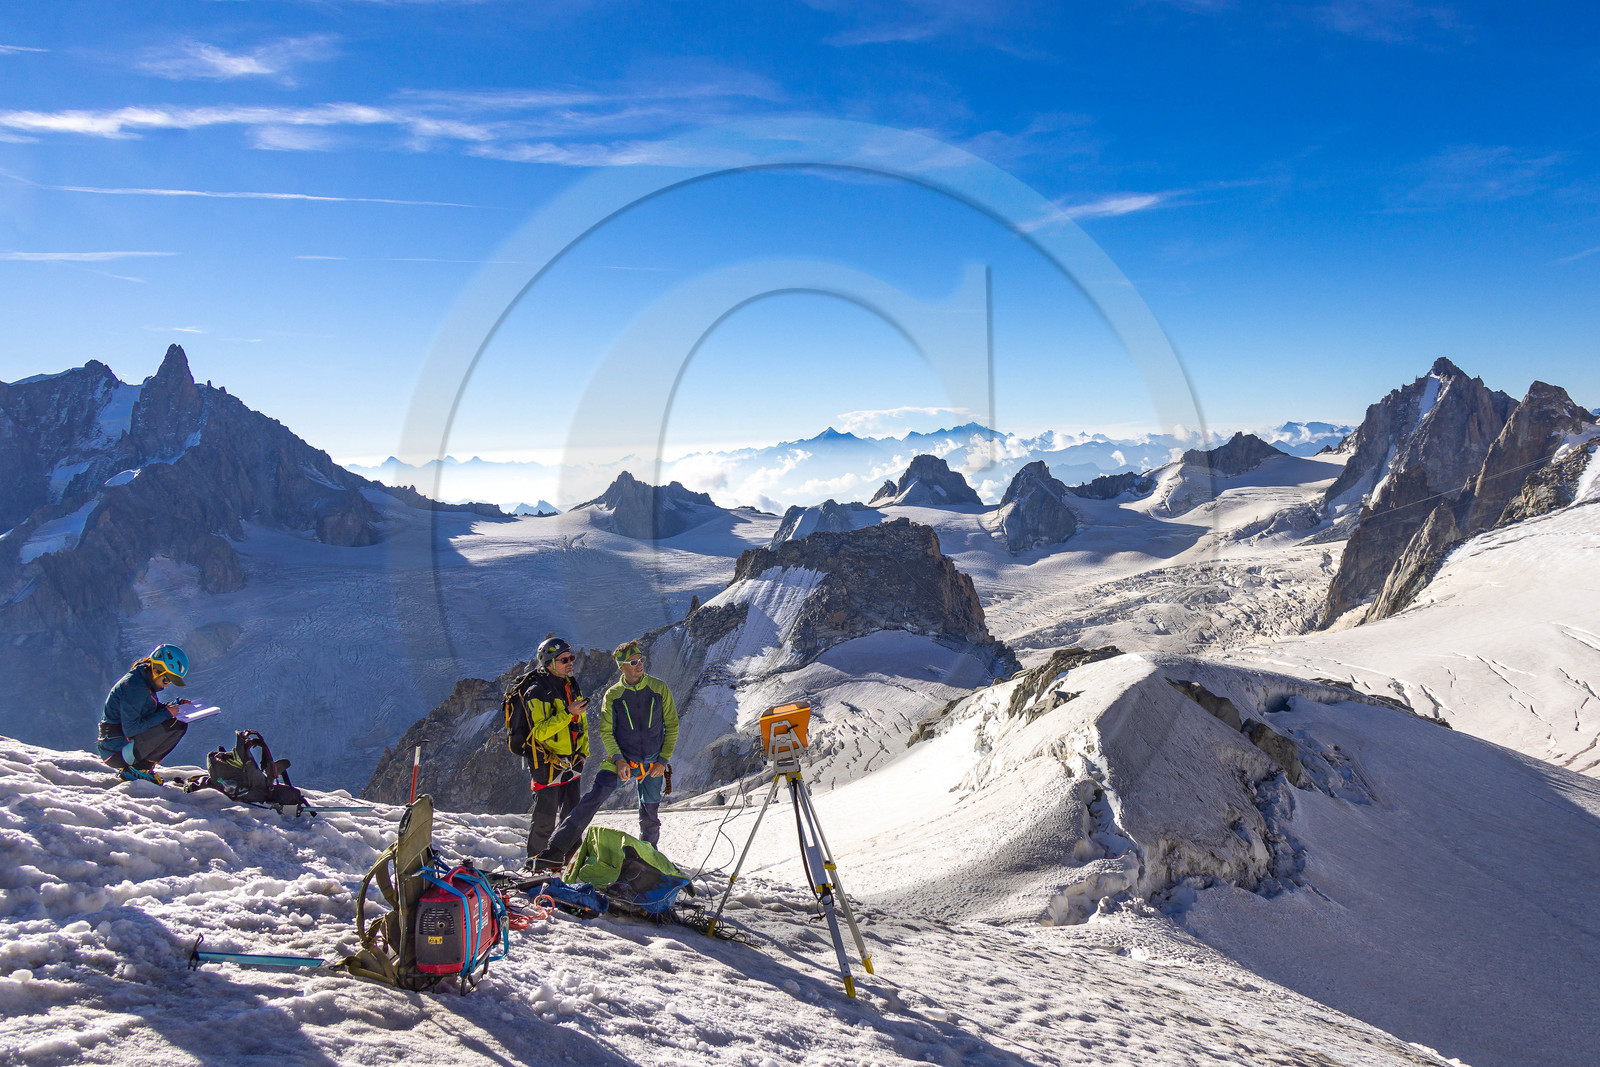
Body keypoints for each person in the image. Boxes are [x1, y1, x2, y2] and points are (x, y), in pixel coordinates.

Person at [535, 640, 677, 868]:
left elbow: (672, 725)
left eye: (641, 660)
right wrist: (619, 760)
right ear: (622, 666)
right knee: (591, 800)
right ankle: (555, 850)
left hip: (652, 764)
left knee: (650, 817)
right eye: (633, 662)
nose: (639, 665)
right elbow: (606, 731)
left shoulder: (659, 689)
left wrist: (662, 761)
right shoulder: (613, 695)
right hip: (622, 760)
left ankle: (648, 862)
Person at [513, 636, 590, 864]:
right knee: (544, 822)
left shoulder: (570, 684)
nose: (570, 662)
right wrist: (568, 713)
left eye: (571, 658)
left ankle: (567, 865)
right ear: (549, 662)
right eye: (564, 659)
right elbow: (539, 732)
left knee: (572, 820)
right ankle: (535, 866)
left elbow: (581, 723)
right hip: (546, 765)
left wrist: (583, 752)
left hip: (572, 763)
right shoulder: (536, 691)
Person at [97, 644, 193, 784]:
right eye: (166, 679)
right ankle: (138, 770)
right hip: (116, 751)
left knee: (177, 723)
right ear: (155, 670)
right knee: (175, 725)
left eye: (170, 681)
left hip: (117, 747)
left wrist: (174, 707)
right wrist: (167, 713)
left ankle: (139, 769)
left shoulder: (141, 680)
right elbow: (132, 729)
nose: (166, 685)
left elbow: (147, 711)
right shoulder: (135, 687)